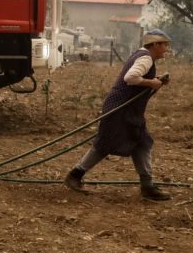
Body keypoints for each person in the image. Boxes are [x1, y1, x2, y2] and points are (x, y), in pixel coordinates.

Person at [64, 29, 173, 201]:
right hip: (119, 109)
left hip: (127, 110)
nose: (167, 49)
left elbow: (138, 80)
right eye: (165, 45)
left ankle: (147, 186)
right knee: (104, 144)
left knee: (142, 143)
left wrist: (156, 81)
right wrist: (151, 82)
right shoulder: (145, 58)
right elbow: (130, 78)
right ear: (155, 44)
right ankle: (75, 175)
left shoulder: (144, 56)